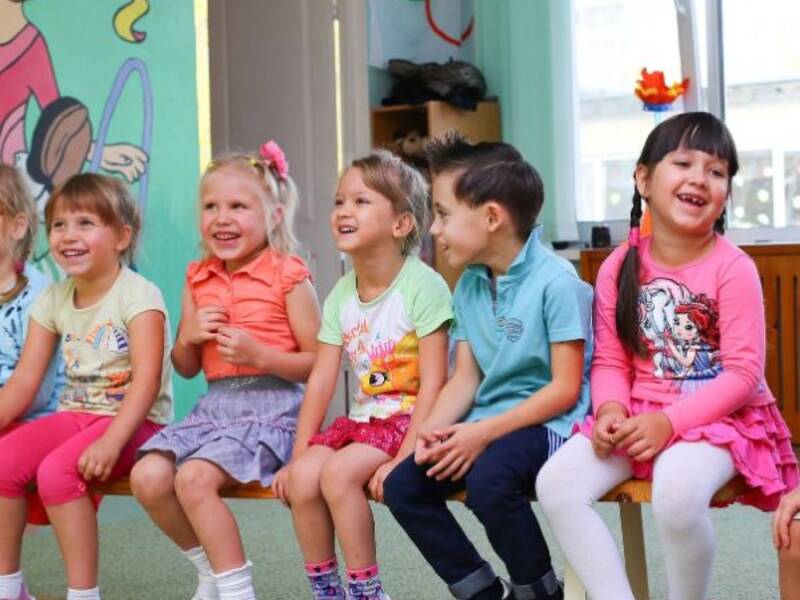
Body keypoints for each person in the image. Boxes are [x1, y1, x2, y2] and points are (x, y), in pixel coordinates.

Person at [536, 111, 799, 600]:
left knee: (677, 493)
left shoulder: (733, 267)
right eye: (683, 163)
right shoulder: (620, 264)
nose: (700, 178)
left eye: (717, 171)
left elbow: (743, 375)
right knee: (557, 484)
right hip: (638, 411)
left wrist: (669, 424)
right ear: (643, 178)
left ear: (724, 193)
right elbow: (611, 360)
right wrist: (612, 409)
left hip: (721, 417)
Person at [383, 134, 592, 600]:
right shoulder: (470, 285)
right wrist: (419, 445)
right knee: (403, 486)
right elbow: (465, 380)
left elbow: (563, 389)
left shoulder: (558, 284)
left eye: (442, 214)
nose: (433, 230)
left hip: (553, 424)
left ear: (492, 217)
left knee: (488, 482)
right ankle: (480, 592)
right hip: (486, 425)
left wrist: (482, 434)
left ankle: (539, 591)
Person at [131, 142, 319, 600]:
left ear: (274, 215)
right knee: (148, 478)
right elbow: (187, 368)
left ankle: (237, 589)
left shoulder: (288, 275)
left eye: (238, 206)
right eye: (211, 206)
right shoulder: (197, 276)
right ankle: (209, 571)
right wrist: (188, 336)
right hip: (214, 409)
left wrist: (263, 356)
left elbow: (320, 362)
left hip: (272, 408)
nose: (222, 217)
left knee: (193, 478)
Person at [272, 150, 452, 600]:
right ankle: (326, 589)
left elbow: (436, 381)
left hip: (410, 421)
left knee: (335, 476)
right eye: (339, 202)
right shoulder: (338, 295)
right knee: (305, 476)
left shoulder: (423, 285)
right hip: (366, 424)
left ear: (401, 224)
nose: (344, 211)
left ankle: (366, 590)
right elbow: (321, 378)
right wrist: (298, 454)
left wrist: (403, 459)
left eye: (361, 201)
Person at [0, 172, 172, 600]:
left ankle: (83, 594)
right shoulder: (54, 298)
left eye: (85, 223)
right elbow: (25, 379)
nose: (68, 236)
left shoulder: (139, 296)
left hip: (136, 421)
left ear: (121, 237)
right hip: (77, 414)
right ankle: (7, 587)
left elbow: (147, 382)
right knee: (3, 461)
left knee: (58, 472)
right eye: (59, 224)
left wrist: (113, 441)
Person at [0, 164, 65, 528]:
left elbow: (35, 392)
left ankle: (6, 577)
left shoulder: (39, 297)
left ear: (17, 225)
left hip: (30, 418)